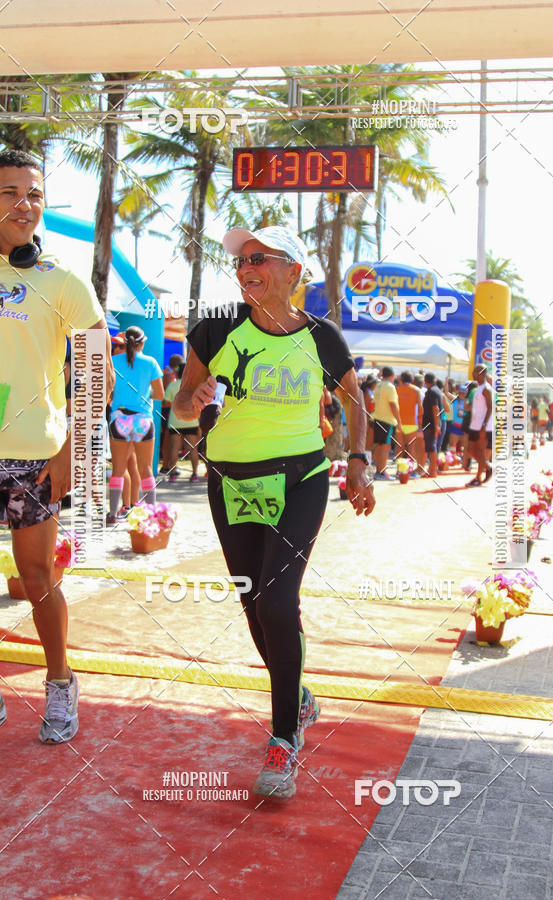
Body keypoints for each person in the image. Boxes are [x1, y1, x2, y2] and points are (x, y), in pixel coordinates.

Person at [173, 225, 375, 800]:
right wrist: (195, 397)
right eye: (241, 259)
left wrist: (357, 461)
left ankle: (284, 737)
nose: (246, 266)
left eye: (261, 258)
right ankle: (300, 696)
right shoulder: (215, 329)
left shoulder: (321, 337)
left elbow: (354, 402)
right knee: (252, 602)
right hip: (230, 481)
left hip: (299, 481)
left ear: (294, 271)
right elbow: (182, 407)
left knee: (278, 602)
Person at [0, 149, 114, 741]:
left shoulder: (61, 278)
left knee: (38, 575)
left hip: (32, 456)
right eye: (10, 192)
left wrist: (73, 442)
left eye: (34, 194)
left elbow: (98, 365)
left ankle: (60, 683)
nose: (25, 204)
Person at [107, 326, 164, 524]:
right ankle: (152, 515)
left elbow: (107, 392)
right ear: (141, 343)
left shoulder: (113, 362)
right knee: (146, 468)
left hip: (119, 419)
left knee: (118, 469)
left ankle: (113, 514)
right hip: (143, 420)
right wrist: (143, 396)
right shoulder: (151, 363)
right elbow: (160, 395)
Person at [164, 363, 200, 482]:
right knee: (193, 449)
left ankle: (172, 474)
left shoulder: (172, 386)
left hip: (175, 421)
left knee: (174, 447)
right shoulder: (194, 386)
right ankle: (195, 474)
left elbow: (166, 402)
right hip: (192, 420)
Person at [371, 366, 401, 479]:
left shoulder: (378, 385)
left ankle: (379, 471)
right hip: (387, 420)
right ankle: (381, 472)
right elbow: (393, 404)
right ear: (392, 376)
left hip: (377, 418)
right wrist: (399, 421)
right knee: (385, 447)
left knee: (379, 446)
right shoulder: (390, 387)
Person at [466, 364, 492, 486]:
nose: (473, 373)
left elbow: (490, 407)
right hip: (474, 425)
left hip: (483, 426)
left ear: (482, 373)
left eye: (476, 371)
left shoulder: (487, 389)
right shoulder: (478, 388)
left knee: (480, 452)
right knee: (470, 450)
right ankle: (489, 467)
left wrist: (484, 425)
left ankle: (478, 477)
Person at [395, 371, 425, 476]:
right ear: (412, 380)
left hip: (399, 422)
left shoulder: (396, 389)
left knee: (399, 446)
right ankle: (409, 470)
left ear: (401, 379)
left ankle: (399, 469)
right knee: (411, 447)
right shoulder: (416, 390)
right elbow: (420, 408)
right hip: (412, 423)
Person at [422, 373, 443, 476]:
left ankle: (433, 471)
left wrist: (436, 426)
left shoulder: (431, 392)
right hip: (434, 423)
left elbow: (436, 408)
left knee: (432, 447)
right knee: (431, 447)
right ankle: (431, 470)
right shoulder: (437, 391)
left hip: (431, 423)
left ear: (425, 381)